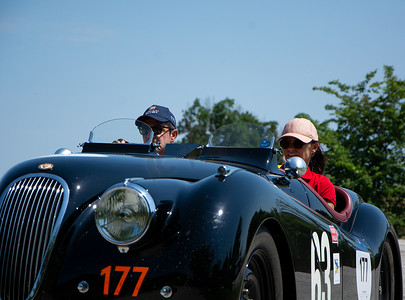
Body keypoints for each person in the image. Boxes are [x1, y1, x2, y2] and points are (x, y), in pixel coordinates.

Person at [277, 118, 336, 209]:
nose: (290, 149)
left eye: (298, 143)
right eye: (285, 143)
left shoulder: (322, 184)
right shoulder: (271, 173)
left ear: (314, 147)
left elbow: (324, 218)